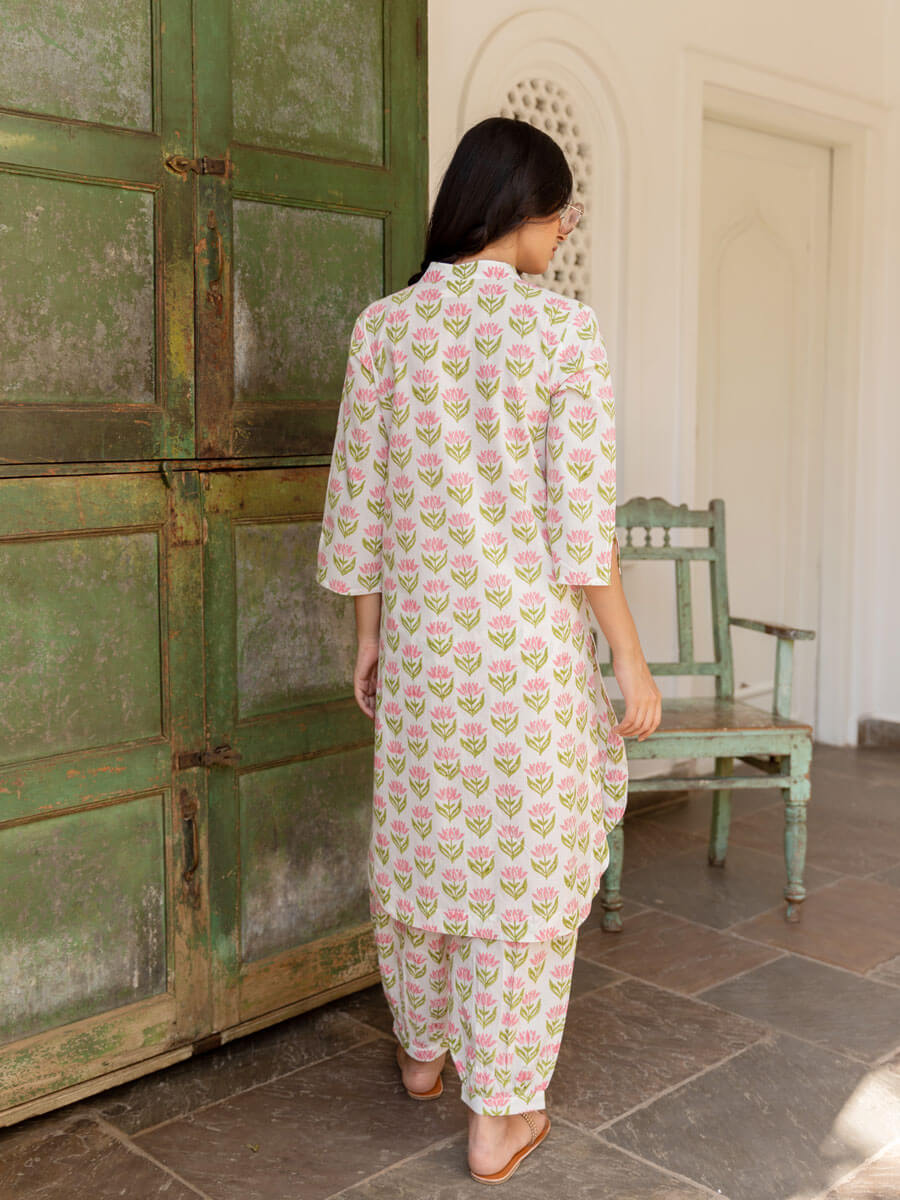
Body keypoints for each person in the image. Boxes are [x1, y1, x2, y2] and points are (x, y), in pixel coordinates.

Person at [316, 115, 661, 1185]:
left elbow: (359, 504)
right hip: (526, 664)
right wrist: (629, 660)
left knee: (426, 853)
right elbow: (582, 531)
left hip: (425, 659)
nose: (563, 234)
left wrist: (369, 636)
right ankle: (499, 1118)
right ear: (525, 210)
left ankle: (424, 1055)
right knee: (525, 875)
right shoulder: (562, 334)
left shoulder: (385, 328)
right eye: (563, 215)